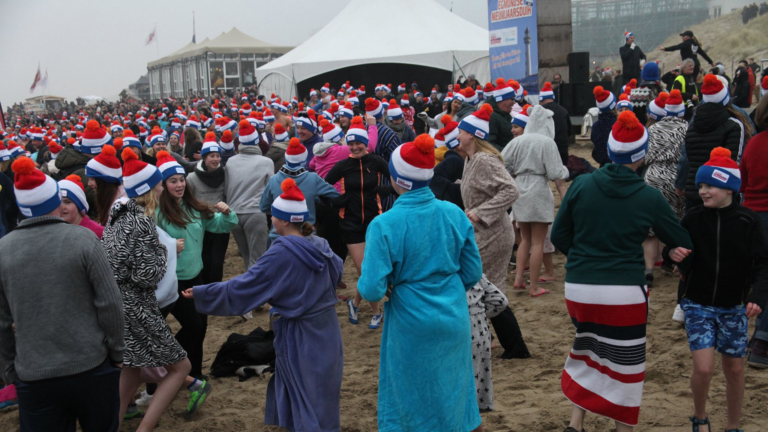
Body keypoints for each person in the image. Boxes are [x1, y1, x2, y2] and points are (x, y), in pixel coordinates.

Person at [552, 110, 693, 432]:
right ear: (642, 154)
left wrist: (584, 259)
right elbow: (681, 240)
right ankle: (622, 427)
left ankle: (576, 424)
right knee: (625, 361)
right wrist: (672, 252)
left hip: (579, 286)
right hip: (624, 291)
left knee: (587, 349)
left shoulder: (582, 185)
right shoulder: (649, 196)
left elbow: (559, 235)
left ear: (611, 150)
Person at [182, 179, 344, 432]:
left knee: (304, 393)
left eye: (274, 216)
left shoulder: (280, 253)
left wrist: (203, 293)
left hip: (301, 336)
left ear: (285, 220)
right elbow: (338, 271)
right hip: (328, 331)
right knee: (322, 393)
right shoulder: (320, 245)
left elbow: (244, 287)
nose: (270, 219)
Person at [357, 136, 484, 432]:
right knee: (456, 390)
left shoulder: (384, 224)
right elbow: (472, 271)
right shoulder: (453, 213)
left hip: (411, 321)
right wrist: (444, 285)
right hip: (453, 314)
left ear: (394, 178)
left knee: (409, 396)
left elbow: (371, 289)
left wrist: (393, 284)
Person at [0, 157, 125, 432]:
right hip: (90, 365)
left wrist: (10, 370)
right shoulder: (83, 239)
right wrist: (117, 351)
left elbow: (1, 322)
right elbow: (110, 303)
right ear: (56, 201)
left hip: (34, 374)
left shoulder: (3, 250)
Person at [675, 147, 768, 432]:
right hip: (697, 304)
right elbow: (677, 248)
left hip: (734, 307)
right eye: (701, 185)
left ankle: (733, 425)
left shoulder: (748, 221)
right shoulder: (693, 218)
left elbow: (764, 265)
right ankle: (700, 417)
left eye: (710, 185)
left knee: (735, 370)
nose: (703, 191)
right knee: (704, 368)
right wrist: (671, 253)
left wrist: (756, 297)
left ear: (730, 188)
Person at [103, 148, 193, 431]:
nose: (161, 187)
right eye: (157, 184)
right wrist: (164, 254)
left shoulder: (116, 217)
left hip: (118, 306)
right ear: (149, 189)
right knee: (181, 369)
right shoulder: (141, 222)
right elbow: (146, 277)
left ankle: (113, 426)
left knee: (131, 371)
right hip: (137, 307)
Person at [155, 151, 238, 379]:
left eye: (182, 180)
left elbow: (219, 226)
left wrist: (227, 213)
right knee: (192, 326)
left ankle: (195, 373)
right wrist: (170, 246)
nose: (180, 184)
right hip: (171, 281)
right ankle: (163, 364)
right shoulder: (157, 213)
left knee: (200, 328)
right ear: (163, 184)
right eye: (173, 181)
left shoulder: (194, 207)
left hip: (195, 277)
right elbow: (147, 244)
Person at [458, 104, 530, 359]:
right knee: (490, 288)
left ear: (472, 136)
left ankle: (508, 344)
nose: (457, 134)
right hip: (485, 231)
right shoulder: (470, 159)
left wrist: (482, 211)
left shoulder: (485, 160)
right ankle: (509, 345)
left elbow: (511, 190)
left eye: (461, 130)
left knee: (480, 285)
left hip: (493, 232)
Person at [325, 121, 389, 329]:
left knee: (369, 269)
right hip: (350, 224)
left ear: (365, 143)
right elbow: (322, 188)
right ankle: (376, 312)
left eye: (358, 144)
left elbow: (397, 181)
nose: (354, 148)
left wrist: (383, 191)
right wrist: (336, 201)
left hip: (374, 222)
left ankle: (354, 303)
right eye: (350, 144)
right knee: (365, 271)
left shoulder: (377, 162)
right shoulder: (343, 166)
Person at [502, 104, 569, 297]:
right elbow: (556, 173)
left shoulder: (518, 141)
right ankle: (533, 287)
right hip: (539, 187)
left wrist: (514, 172)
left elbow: (502, 161)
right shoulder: (547, 142)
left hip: (521, 187)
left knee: (525, 239)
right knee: (538, 242)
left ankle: (518, 280)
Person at [642, 90, 688, 288]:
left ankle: (648, 270)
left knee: (650, 229)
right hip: (676, 175)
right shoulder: (687, 128)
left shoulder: (653, 129)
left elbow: (645, 155)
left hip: (653, 175)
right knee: (676, 222)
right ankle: (671, 262)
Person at [260, 138, 339, 241]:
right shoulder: (313, 179)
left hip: (278, 236)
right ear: (304, 160)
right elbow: (334, 194)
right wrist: (316, 200)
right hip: (306, 235)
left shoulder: (274, 180)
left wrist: (280, 213)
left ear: (286, 158)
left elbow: (263, 206)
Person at [225, 120, 273, 268]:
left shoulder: (230, 162)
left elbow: (227, 189)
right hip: (255, 212)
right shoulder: (266, 162)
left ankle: (250, 287)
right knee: (258, 259)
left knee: (247, 258)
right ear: (257, 141)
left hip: (234, 214)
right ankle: (257, 289)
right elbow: (270, 190)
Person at [184, 140, 229, 287]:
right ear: (204, 157)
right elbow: (188, 200)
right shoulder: (192, 178)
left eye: (218, 155)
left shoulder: (225, 174)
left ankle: (215, 290)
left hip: (220, 223)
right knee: (203, 258)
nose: (215, 159)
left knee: (217, 260)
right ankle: (204, 289)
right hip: (201, 224)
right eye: (212, 156)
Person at [467, 275, 508, 412]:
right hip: (480, 329)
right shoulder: (472, 272)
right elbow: (500, 301)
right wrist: (480, 316)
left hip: (452, 326)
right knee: (478, 380)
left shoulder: (437, 275)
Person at [85, 144, 125, 225]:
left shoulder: (121, 205)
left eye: (92, 179)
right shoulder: (110, 197)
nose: (89, 184)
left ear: (105, 181)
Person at [58, 174, 104, 238]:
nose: (62, 207)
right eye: (58, 202)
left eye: (67, 202)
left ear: (79, 205)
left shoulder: (98, 232)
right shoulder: (54, 231)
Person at [540, 82, 572, 164]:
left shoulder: (539, 112)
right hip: (563, 151)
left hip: (546, 152)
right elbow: (569, 132)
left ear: (541, 99)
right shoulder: (563, 110)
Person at [589, 86, 618, 167]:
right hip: (618, 166)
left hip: (603, 167)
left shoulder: (595, 127)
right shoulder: (618, 124)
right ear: (613, 105)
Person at [487, 79, 516, 152]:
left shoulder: (506, 115)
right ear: (502, 99)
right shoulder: (492, 117)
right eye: (512, 99)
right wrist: (509, 154)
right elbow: (489, 144)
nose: (514, 102)